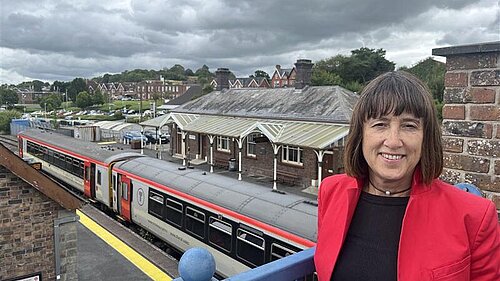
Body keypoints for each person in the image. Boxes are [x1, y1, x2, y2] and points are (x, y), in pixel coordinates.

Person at [314, 71, 499, 281]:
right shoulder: (331, 191)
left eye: (409, 126)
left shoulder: (475, 216)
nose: (393, 141)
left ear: (425, 138)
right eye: (380, 124)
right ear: (361, 134)